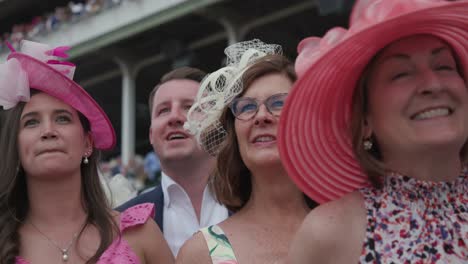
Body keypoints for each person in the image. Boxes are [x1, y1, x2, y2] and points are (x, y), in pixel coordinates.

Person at [276, 0, 468, 263]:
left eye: (444, 66)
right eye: (401, 74)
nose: (432, 84)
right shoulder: (333, 233)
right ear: (365, 121)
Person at [0, 40, 174, 264]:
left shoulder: (139, 234)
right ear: (15, 146)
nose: (48, 131)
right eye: (31, 123)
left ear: (88, 143)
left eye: (62, 119)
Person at [176, 39, 315, 264]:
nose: (261, 116)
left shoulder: (354, 232)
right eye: (247, 107)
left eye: (279, 103)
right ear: (234, 135)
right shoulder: (200, 254)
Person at [117, 67, 228, 256]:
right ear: (151, 135)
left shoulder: (256, 201)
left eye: (190, 107)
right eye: (163, 110)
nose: (175, 117)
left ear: (217, 126)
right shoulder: (120, 221)